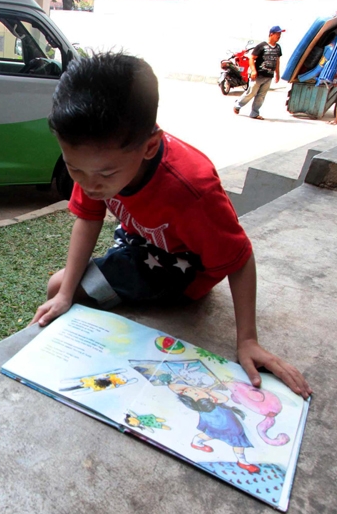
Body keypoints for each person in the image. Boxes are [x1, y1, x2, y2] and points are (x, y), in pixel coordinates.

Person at [33, 53, 311, 399]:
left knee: (65, 286)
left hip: (180, 270)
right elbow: (88, 217)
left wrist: (247, 340)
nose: (90, 185)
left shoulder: (192, 190)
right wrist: (63, 295)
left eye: (105, 175)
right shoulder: (96, 161)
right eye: (74, 169)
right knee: (58, 289)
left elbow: (239, 258)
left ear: (149, 147)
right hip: (138, 241)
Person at [234, 26, 284, 120]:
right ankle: (238, 104)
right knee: (251, 93)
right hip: (258, 75)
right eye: (278, 34)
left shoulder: (278, 48)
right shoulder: (262, 46)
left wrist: (277, 73)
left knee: (261, 96)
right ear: (271, 34)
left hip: (269, 76)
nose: (279, 36)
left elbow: (277, 61)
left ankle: (254, 113)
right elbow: (252, 58)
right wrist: (253, 71)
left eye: (280, 34)